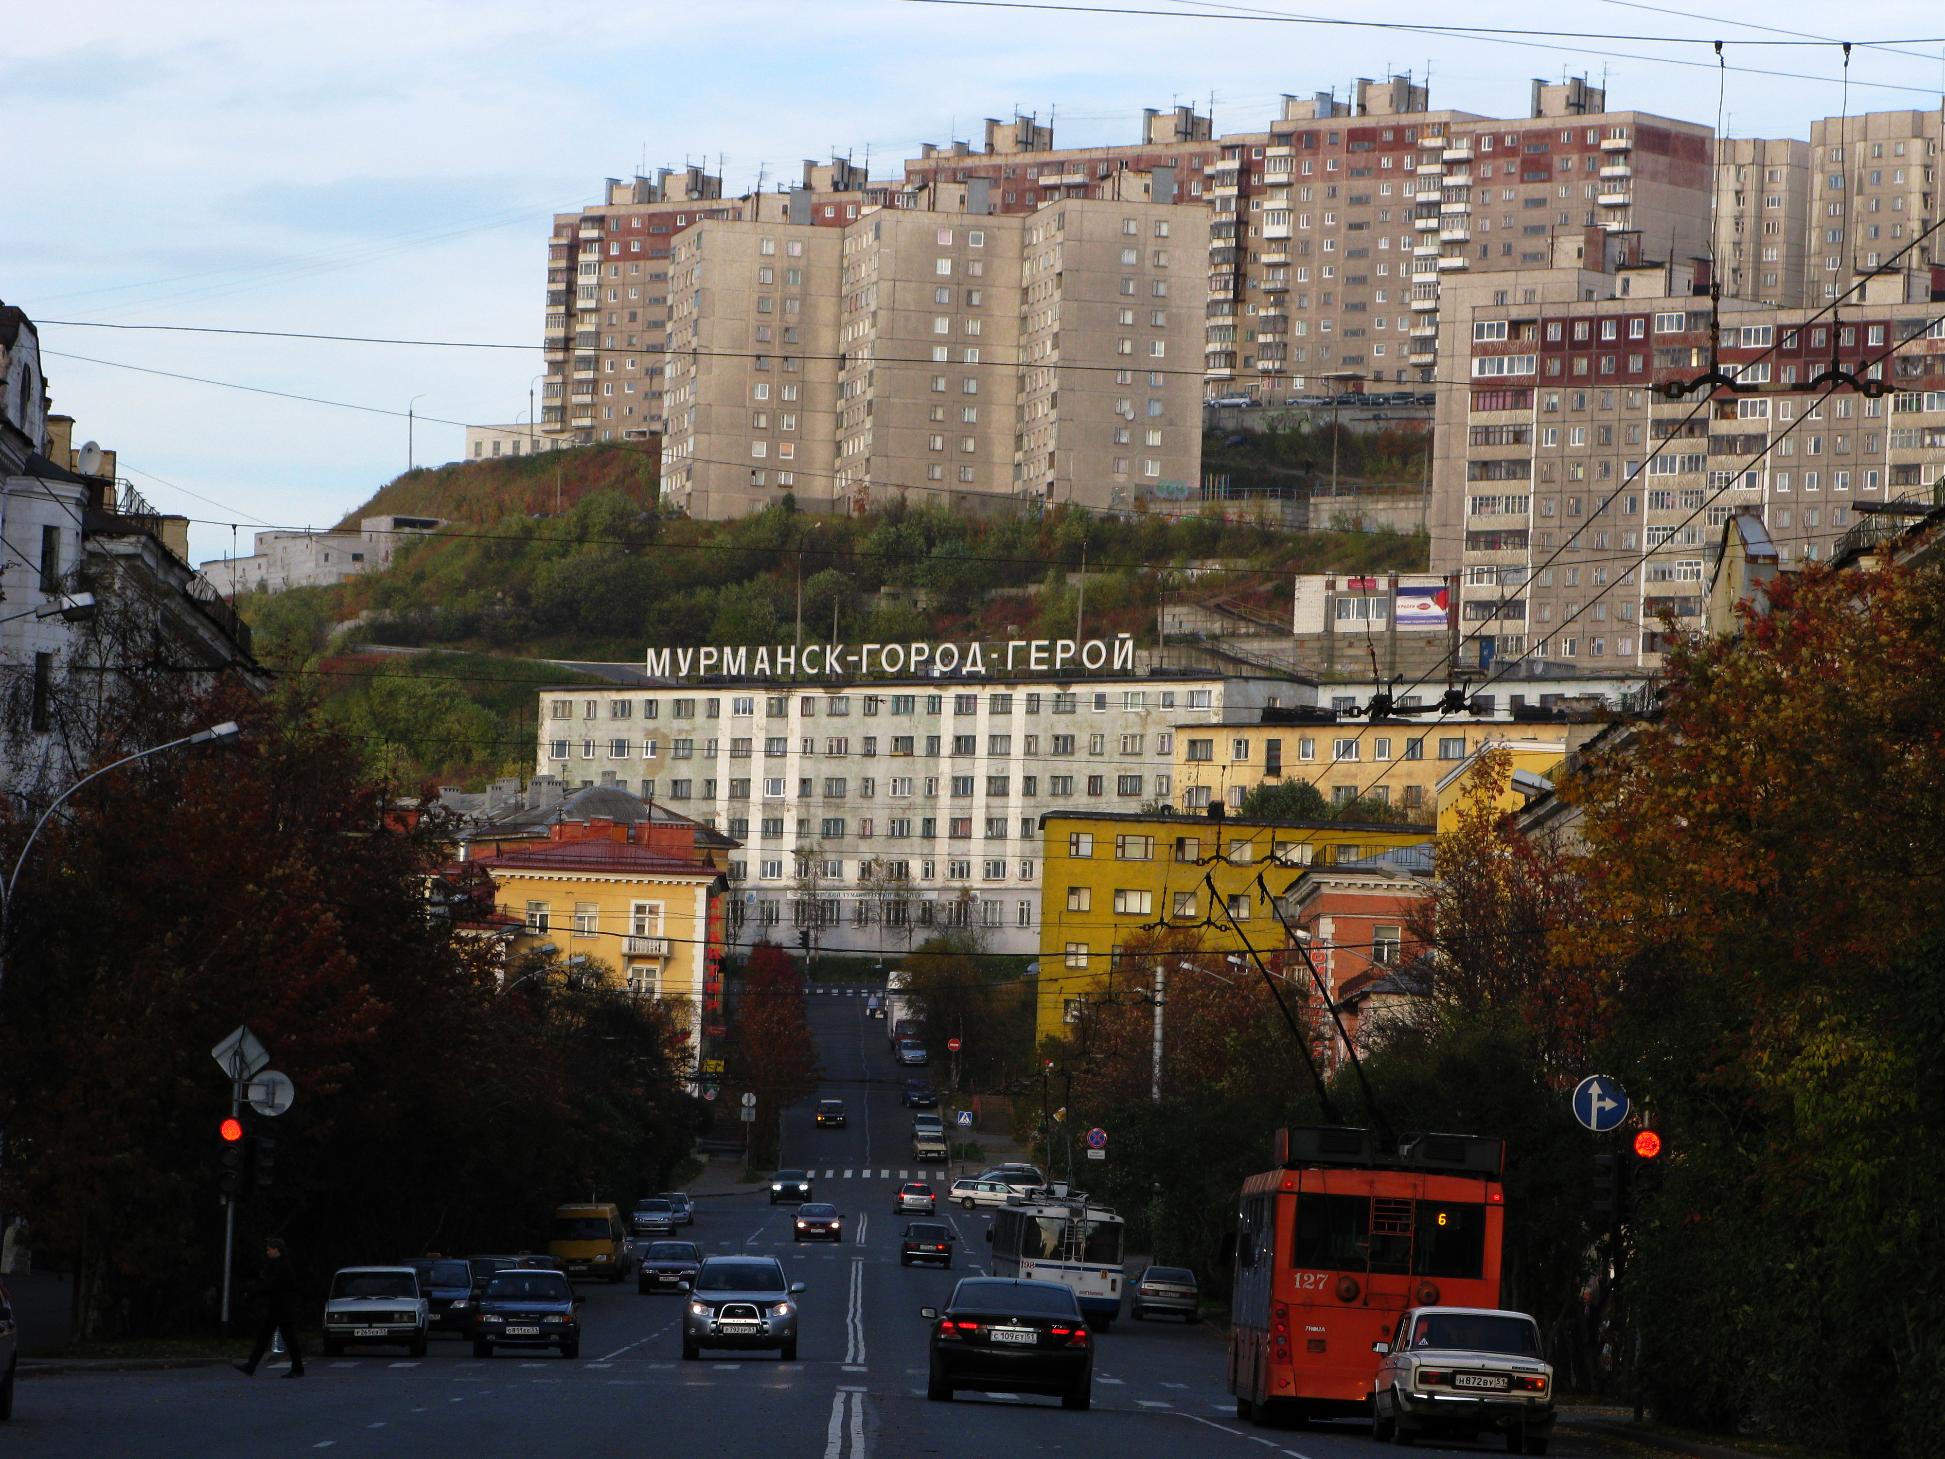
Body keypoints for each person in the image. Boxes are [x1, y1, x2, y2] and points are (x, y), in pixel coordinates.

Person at [234, 1236, 305, 1378]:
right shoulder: (280, 1264)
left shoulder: (282, 1266)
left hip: (281, 1309)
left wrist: (252, 1293)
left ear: (276, 1250)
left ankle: (297, 1368)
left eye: (269, 1250)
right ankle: (251, 1366)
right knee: (272, 1337)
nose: (267, 1252)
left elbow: (271, 1285)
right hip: (279, 1308)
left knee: (284, 1339)